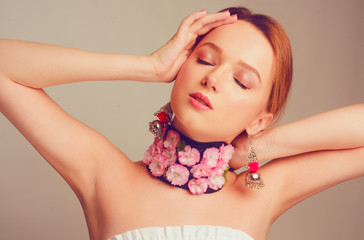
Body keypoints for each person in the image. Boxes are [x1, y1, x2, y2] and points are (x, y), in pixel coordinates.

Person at [0, 6, 363, 240]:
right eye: (205, 59)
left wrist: (254, 148)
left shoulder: (259, 193)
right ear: (180, 68)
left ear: (261, 117)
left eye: (242, 81)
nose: (214, 79)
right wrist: (148, 66)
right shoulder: (105, 175)